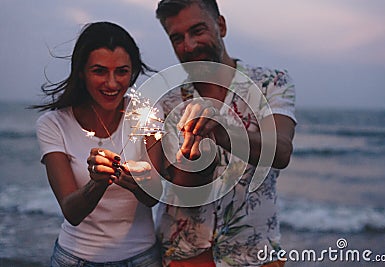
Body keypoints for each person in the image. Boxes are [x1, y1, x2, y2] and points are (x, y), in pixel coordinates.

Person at [153, 1, 296, 266]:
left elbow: (281, 150)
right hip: (182, 256)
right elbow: (179, 191)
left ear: (221, 25)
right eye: (177, 38)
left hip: (255, 255)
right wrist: (193, 160)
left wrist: (222, 131)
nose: (189, 45)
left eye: (198, 31)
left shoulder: (271, 83)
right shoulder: (166, 102)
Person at [33, 22, 162, 266]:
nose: (112, 83)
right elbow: (72, 212)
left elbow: (154, 196)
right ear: (81, 72)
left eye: (122, 71)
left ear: (133, 71)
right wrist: (97, 183)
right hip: (75, 258)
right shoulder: (53, 124)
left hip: (142, 257)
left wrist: (139, 183)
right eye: (100, 71)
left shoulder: (148, 113)